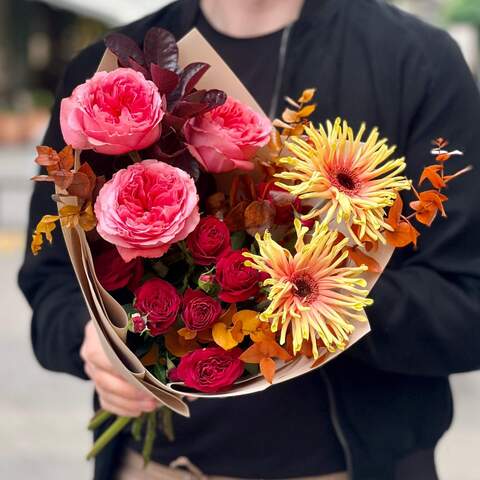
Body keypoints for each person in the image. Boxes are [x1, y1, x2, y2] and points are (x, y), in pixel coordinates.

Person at [18, 0, 480, 479]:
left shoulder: (415, 60)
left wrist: (322, 299)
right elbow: (51, 281)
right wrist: (90, 338)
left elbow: (466, 306)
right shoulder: (112, 76)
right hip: (152, 466)